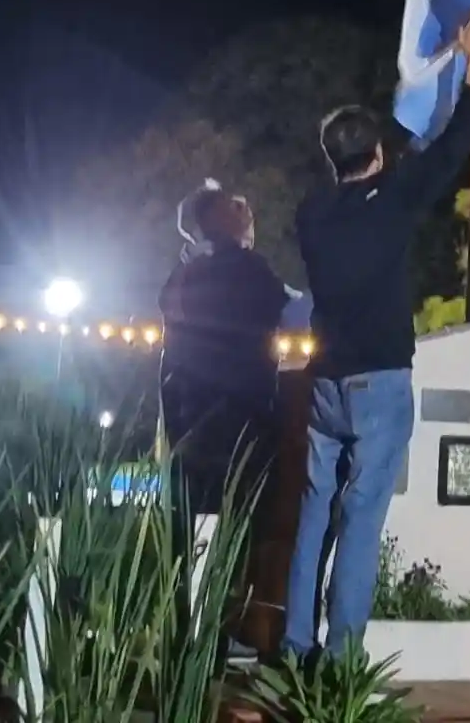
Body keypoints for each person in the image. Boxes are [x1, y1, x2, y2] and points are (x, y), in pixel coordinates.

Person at [282, 7, 470, 658]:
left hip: (327, 387)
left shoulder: (311, 214)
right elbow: (456, 144)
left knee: (316, 513)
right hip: (379, 385)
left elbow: (395, 167)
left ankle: (294, 645)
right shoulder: (394, 198)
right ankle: (341, 662)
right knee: (362, 517)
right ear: (375, 154)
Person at [159, 182, 291, 663]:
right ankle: (211, 632)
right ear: (229, 223)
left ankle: (193, 634)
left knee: (194, 530)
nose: (250, 218)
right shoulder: (251, 273)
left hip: (192, 422)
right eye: (243, 212)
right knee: (234, 532)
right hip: (242, 424)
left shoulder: (184, 276)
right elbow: (284, 309)